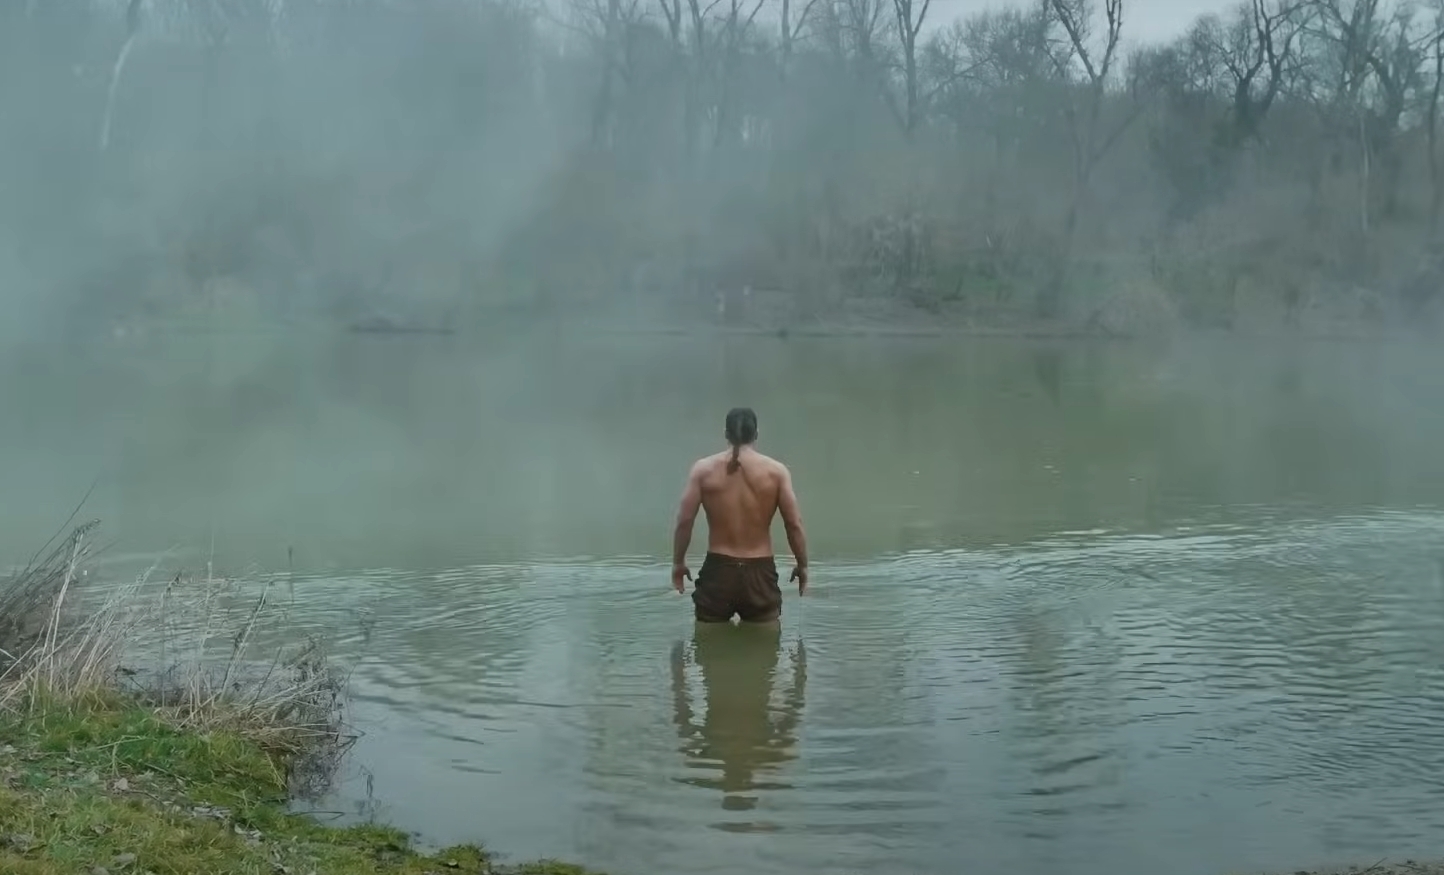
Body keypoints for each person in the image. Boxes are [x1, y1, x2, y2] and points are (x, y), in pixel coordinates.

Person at [670, 407, 808, 624]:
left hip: (718, 572)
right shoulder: (776, 472)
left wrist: (678, 563)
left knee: (709, 643)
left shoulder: (703, 470)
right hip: (760, 574)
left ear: (726, 434)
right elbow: (794, 524)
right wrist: (802, 565)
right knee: (764, 644)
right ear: (756, 434)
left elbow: (684, 521)